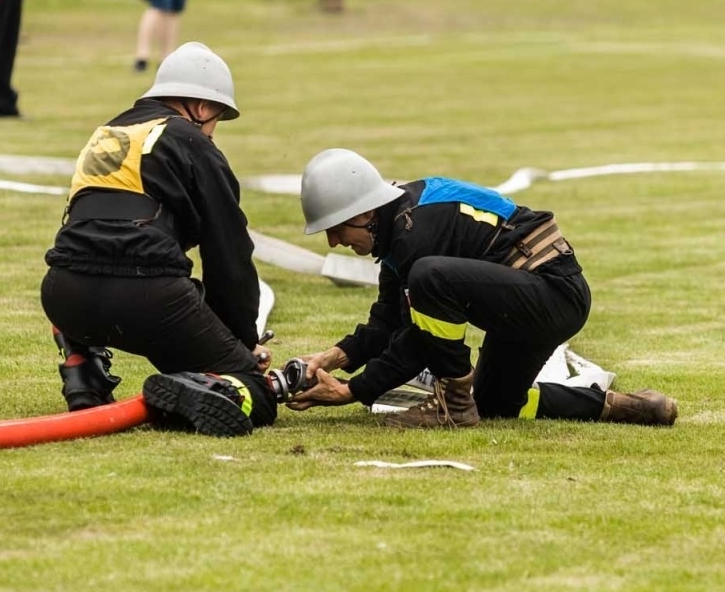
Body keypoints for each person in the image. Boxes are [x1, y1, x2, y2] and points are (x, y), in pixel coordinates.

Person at [285, 148, 678, 429]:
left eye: (337, 229)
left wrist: (353, 390)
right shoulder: (398, 230)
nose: (334, 242)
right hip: (533, 297)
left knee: (429, 278)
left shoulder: (414, 236)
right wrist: (332, 357)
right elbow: (388, 321)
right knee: (496, 404)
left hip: (553, 294)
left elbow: (419, 341)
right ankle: (632, 408)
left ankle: (452, 404)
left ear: (366, 213)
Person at [40, 42, 276, 437]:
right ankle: (219, 385)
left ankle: (83, 375)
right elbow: (229, 254)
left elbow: (88, 230)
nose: (214, 131)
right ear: (201, 108)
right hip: (148, 300)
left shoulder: (107, 133)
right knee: (258, 393)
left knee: (85, 270)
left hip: (63, 297)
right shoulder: (191, 140)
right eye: (217, 118)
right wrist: (241, 342)